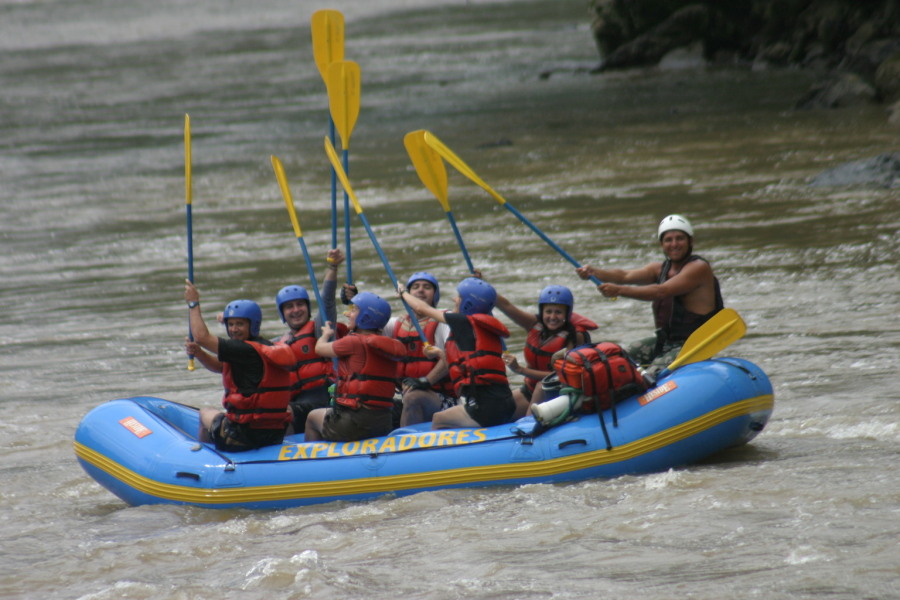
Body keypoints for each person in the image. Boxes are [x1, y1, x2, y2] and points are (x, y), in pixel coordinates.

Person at [576, 214, 723, 381]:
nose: (674, 244)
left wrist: (619, 291)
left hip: (693, 345)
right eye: (668, 240)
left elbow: (661, 291)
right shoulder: (659, 269)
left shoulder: (698, 268)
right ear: (662, 244)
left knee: (649, 376)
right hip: (665, 341)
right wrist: (594, 272)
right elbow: (625, 275)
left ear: (691, 241)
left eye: (680, 238)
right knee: (615, 357)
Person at [184, 281, 294, 452]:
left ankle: (205, 459)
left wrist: (193, 303)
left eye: (240, 324)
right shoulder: (263, 347)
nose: (234, 329)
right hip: (273, 435)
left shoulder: (245, 350)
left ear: (253, 325)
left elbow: (201, 337)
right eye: (231, 324)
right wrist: (200, 354)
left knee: (205, 413)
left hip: (241, 437)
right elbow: (220, 367)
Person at [398, 277, 515, 430]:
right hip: (505, 400)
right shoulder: (481, 326)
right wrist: (440, 353)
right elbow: (466, 357)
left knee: (439, 419)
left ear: (468, 303)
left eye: (459, 297)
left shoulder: (463, 322)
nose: (454, 299)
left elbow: (422, 309)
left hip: (486, 406)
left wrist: (404, 293)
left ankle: (427, 452)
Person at [304, 291, 406, 442]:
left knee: (312, 417)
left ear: (365, 317)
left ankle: (312, 461)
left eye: (353, 310)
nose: (348, 313)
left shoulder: (352, 342)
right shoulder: (387, 345)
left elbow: (319, 349)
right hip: (383, 421)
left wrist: (325, 334)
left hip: (354, 423)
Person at [492, 283, 598, 418]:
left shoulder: (575, 337)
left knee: (541, 386)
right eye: (548, 311)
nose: (553, 317)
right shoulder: (533, 324)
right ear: (542, 312)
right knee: (497, 412)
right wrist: (485, 288)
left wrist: (520, 370)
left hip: (558, 395)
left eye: (558, 312)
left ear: (567, 313)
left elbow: (558, 376)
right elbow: (506, 306)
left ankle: (529, 425)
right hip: (530, 390)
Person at [273, 248, 346, 433]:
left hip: (323, 400)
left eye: (300, 304)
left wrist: (332, 267)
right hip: (297, 402)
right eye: (289, 307)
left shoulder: (320, 329)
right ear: (283, 314)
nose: (296, 310)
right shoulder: (276, 343)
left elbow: (327, 301)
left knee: (283, 411)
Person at [386, 272, 457, 427]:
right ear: (409, 293)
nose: (421, 290)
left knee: (413, 397)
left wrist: (426, 381)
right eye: (416, 287)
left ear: (434, 294)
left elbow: (451, 358)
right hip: (408, 397)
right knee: (381, 405)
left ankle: (407, 446)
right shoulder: (395, 324)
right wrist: (352, 299)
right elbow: (365, 329)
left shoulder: (445, 320)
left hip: (444, 400)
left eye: (427, 287)